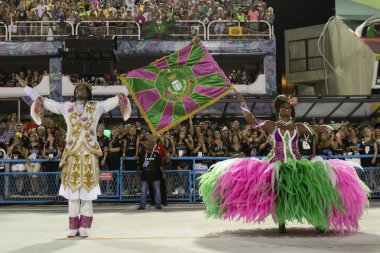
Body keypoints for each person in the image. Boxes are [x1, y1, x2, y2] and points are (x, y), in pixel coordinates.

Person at [199, 93, 369, 235]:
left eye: (288, 107)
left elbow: (318, 129)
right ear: (278, 109)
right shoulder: (271, 125)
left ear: (291, 110)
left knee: (310, 192)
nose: (286, 109)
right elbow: (251, 121)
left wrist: (335, 126)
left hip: (296, 163)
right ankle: (281, 220)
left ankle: (318, 219)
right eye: (283, 107)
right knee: (277, 192)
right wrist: (242, 102)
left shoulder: (299, 126)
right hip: (275, 163)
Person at [17, 75, 131, 238]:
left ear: (88, 93)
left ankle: (84, 226)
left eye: (83, 89)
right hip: (72, 154)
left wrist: (130, 87)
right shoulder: (66, 107)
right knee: (72, 192)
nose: (79, 90)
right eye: (77, 88)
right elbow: (46, 102)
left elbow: (115, 100)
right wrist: (27, 89)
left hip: (89, 154)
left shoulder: (97, 107)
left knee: (87, 192)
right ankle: (72, 225)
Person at [137, 139, 165, 210]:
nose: (150, 145)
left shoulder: (157, 154)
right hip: (145, 176)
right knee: (143, 190)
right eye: (148, 143)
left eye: (151, 144)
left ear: (153, 146)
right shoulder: (143, 154)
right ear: (146, 145)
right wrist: (137, 173)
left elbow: (161, 165)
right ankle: (142, 205)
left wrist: (163, 173)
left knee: (157, 190)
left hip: (155, 176)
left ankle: (158, 204)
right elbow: (139, 165)